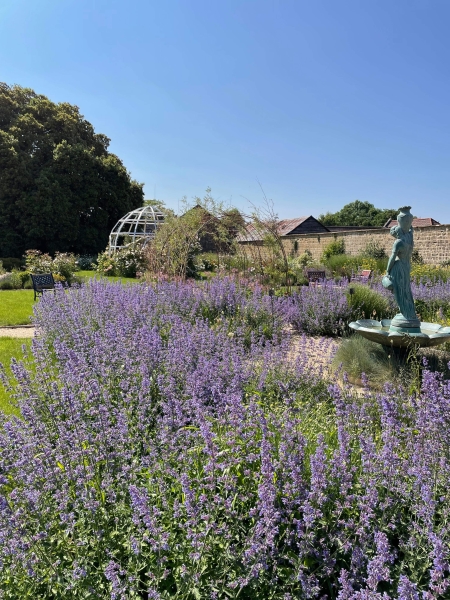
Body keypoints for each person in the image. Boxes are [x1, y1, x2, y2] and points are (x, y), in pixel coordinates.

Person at [385, 224, 417, 321]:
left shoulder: (398, 242)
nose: (394, 237)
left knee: (399, 290)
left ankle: (405, 313)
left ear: (396, 233)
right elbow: (411, 229)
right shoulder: (409, 239)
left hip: (399, 268)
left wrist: (387, 270)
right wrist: (408, 225)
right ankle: (410, 312)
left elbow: (392, 257)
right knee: (406, 289)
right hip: (407, 266)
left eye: (393, 235)